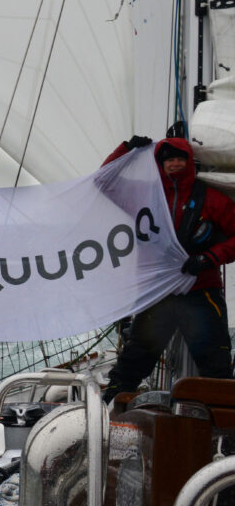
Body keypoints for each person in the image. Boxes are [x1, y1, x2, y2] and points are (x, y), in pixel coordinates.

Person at [101, 136, 235, 404]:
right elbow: (104, 182)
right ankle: (108, 413)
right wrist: (126, 149)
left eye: (179, 158)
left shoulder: (211, 199)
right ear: (159, 164)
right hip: (159, 293)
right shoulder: (146, 196)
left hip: (201, 293)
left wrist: (209, 258)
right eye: (168, 159)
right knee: (133, 361)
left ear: (189, 161)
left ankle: (226, 432)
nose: (174, 164)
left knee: (216, 366)